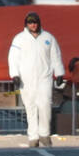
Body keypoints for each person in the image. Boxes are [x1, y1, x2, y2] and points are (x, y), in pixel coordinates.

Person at [8, 11, 64, 148]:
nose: (33, 25)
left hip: (44, 77)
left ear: (39, 23)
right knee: (30, 107)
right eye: (30, 22)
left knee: (44, 104)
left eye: (35, 22)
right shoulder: (19, 39)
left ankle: (44, 134)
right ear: (26, 24)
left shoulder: (48, 38)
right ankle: (33, 137)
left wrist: (60, 73)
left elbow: (55, 56)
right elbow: (13, 58)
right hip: (26, 78)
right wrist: (14, 75)